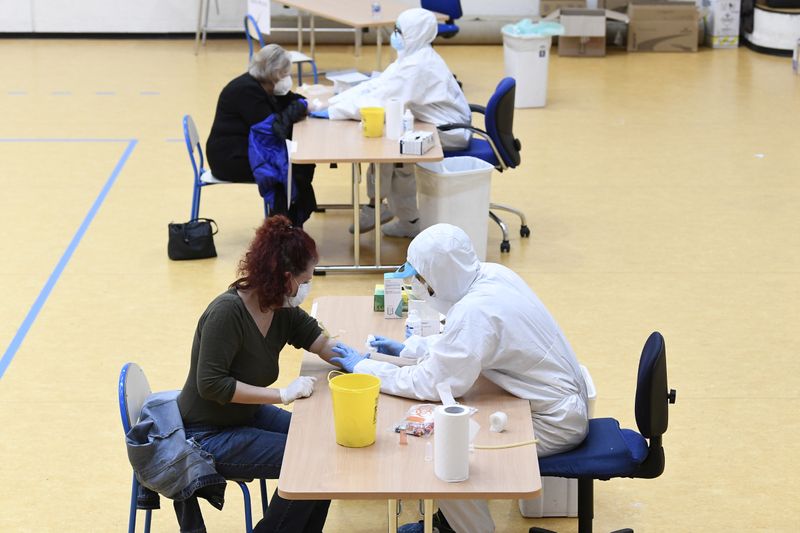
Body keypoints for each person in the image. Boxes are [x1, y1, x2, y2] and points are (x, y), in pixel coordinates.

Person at [330, 224, 590, 533]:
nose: (418, 286)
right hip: (549, 402)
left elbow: (429, 383)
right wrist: (412, 350)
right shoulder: (491, 275)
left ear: (440, 279)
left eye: (422, 280)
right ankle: (448, 521)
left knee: (445, 450)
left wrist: (365, 369)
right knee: (451, 429)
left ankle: (469, 530)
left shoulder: (475, 312)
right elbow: (466, 348)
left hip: (552, 423)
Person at [175, 215, 352, 532]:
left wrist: (370, 363)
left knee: (324, 449)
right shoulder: (226, 314)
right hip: (205, 435)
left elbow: (324, 345)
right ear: (287, 279)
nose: (309, 286)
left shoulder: (281, 309)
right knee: (307, 461)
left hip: (243, 416)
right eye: (307, 279)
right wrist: (281, 395)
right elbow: (212, 385)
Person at [314, 8, 471, 238]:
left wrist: (332, 112)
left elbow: (378, 103)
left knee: (389, 146)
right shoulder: (413, 56)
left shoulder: (417, 65)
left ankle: (377, 206)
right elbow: (377, 86)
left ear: (414, 33)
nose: (395, 35)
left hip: (448, 131)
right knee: (392, 144)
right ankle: (404, 218)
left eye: (400, 31)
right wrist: (332, 101)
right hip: (433, 124)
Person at [206, 44, 317, 226]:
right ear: (273, 73)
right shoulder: (246, 90)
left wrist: (301, 102)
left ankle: (290, 220)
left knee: (301, 164)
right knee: (289, 169)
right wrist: (300, 107)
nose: (287, 79)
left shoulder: (264, 85)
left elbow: (288, 99)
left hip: (248, 150)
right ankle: (281, 227)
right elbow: (275, 128)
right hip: (229, 158)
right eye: (284, 74)